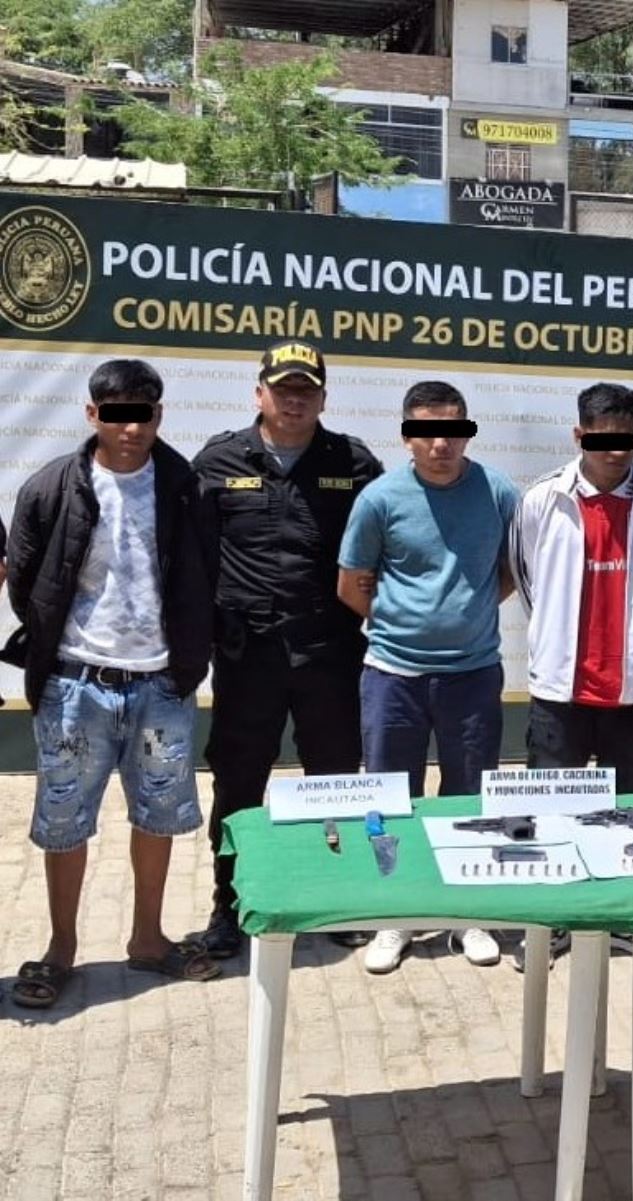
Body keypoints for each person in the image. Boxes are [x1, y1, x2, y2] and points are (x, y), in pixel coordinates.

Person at [5, 359, 218, 1008]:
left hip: (161, 685)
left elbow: (205, 574)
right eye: (117, 413)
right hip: (76, 686)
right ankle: (61, 947)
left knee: (157, 816)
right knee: (64, 823)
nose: (131, 427)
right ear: (93, 414)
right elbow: (27, 583)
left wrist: (188, 659)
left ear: (158, 416)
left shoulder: (187, 487)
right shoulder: (50, 487)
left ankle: (147, 939)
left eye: (144, 413)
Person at [190, 341, 383, 959]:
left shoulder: (352, 463)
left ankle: (335, 898)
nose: (294, 399)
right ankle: (230, 903)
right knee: (238, 781)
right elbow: (191, 557)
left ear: (324, 398)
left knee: (335, 780)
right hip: (249, 658)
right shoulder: (218, 461)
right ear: (259, 393)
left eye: (307, 390)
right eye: (283, 388)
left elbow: (387, 547)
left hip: (330, 652)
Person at [337, 381, 519, 974]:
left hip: (472, 673)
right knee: (392, 798)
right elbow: (352, 584)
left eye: (452, 430)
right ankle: (396, 913)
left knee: (468, 796)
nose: (440, 443)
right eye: (425, 431)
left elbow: (511, 571)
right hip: (394, 675)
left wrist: (467, 616)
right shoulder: (379, 499)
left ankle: (464, 912)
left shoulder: (497, 492)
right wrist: (400, 626)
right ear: (407, 436)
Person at [508, 382, 633, 968]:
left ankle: (618, 917)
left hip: (630, 693)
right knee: (553, 813)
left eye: (627, 438)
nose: (616, 450)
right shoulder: (541, 499)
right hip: (562, 691)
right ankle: (554, 923)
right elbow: (529, 580)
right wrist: (561, 644)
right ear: (579, 435)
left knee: (626, 808)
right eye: (604, 438)